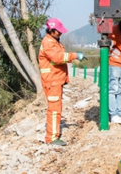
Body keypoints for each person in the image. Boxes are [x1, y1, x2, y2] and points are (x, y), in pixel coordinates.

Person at [38, 17, 85, 146]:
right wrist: (75, 55)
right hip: (51, 81)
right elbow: (58, 58)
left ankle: (54, 135)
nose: (60, 33)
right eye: (58, 31)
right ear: (51, 30)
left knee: (56, 108)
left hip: (55, 80)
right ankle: (52, 138)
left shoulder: (54, 41)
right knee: (54, 109)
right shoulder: (48, 43)